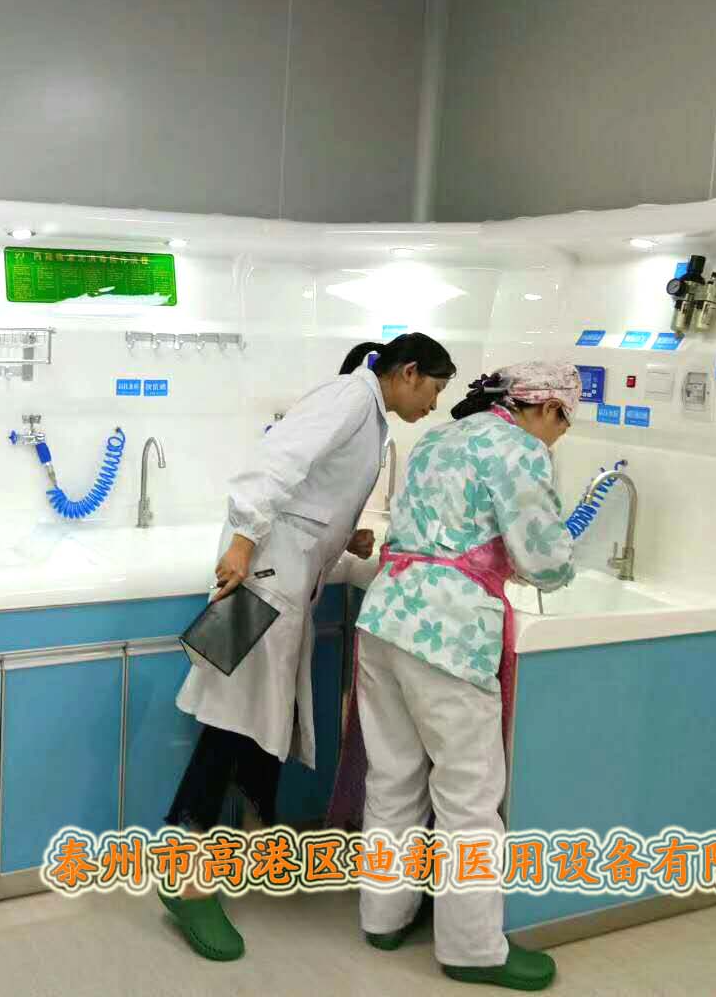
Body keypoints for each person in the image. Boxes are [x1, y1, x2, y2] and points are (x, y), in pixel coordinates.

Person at [159, 332, 458, 962]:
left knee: (252, 724)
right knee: (230, 724)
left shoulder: (370, 416)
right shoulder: (351, 398)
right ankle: (186, 880)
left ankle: (234, 851)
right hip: (260, 577)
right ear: (408, 372)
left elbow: (311, 494)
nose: (433, 403)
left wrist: (342, 538)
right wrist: (243, 541)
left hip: (278, 574)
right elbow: (276, 463)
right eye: (433, 388)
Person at [341, 361, 579, 991]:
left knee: (393, 776)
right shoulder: (521, 450)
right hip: (448, 630)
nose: (559, 436)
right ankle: (473, 949)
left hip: (386, 615)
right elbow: (543, 558)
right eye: (563, 423)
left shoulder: (438, 438)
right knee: (470, 797)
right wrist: (559, 565)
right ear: (546, 408)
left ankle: (383, 916)